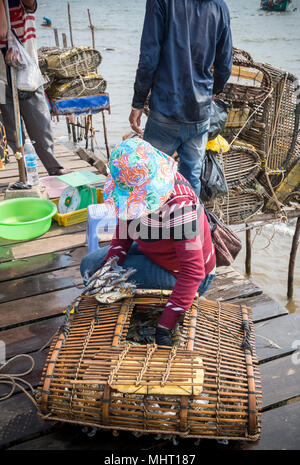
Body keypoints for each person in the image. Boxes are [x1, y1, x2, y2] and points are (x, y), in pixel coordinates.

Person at [80, 137, 216, 346]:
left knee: (103, 274)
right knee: (90, 266)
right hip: (155, 251)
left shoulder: (181, 205)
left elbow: (193, 271)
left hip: (185, 274)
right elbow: (124, 231)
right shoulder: (129, 194)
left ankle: (151, 307)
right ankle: (135, 302)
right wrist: (109, 269)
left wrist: (165, 326)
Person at [129, 0, 233, 197]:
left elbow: (149, 57)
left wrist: (138, 101)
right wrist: (213, 91)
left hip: (165, 110)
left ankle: (151, 226)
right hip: (200, 113)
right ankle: (189, 224)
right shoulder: (219, 6)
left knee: (151, 178)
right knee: (191, 180)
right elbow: (225, 64)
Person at [0, 0, 65, 176]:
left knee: (40, 124)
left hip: (27, 74)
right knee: (12, 128)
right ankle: (23, 170)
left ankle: (54, 168)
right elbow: (2, 31)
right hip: (1, 78)